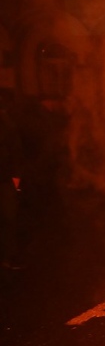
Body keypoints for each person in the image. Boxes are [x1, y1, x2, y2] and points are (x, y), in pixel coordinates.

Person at [0, 97, 24, 270]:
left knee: (9, 219)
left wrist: (16, 178)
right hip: (6, 179)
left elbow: (15, 150)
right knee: (9, 219)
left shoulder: (5, 123)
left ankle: (9, 257)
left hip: (4, 178)